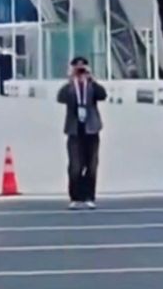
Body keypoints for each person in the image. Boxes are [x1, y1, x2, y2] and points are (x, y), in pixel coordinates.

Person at [56, 57, 107, 210]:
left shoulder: (91, 86)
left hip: (91, 129)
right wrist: (70, 80)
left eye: (82, 67)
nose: (80, 71)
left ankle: (89, 196)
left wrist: (92, 79)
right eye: (77, 68)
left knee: (91, 165)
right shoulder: (70, 88)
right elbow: (60, 97)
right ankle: (75, 197)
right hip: (74, 130)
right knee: (75, 166)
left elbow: (103, 95)